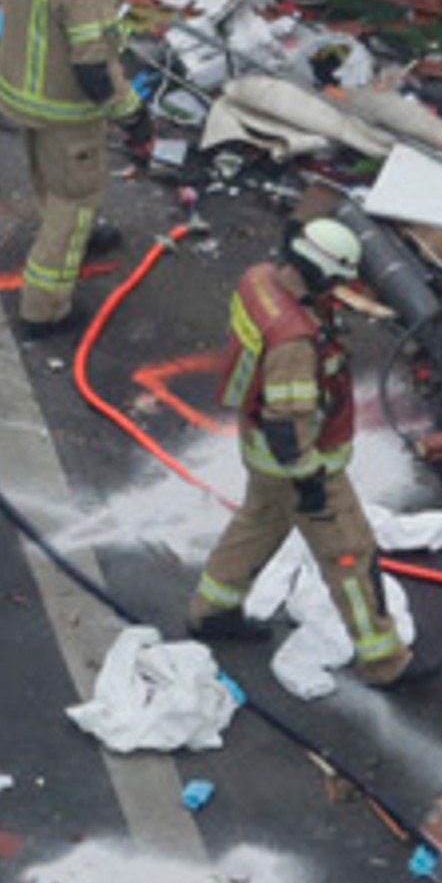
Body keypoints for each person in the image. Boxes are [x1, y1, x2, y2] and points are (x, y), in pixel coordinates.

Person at [187, 216, 412, 687]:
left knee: (259, 522)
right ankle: (385, 662)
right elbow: (287, 423)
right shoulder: (294, 342)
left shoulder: (258, 281)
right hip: (299, 464)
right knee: (349, 554)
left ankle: (212, 611)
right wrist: (310, 482)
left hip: (257, 449)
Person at [0, 0, 149, 337]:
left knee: (49, 176)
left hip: (18, 84)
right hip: (63, 106)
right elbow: (94, 71)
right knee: (74, 200)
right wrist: (133, 115)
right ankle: (45, 308)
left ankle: (72, 243)